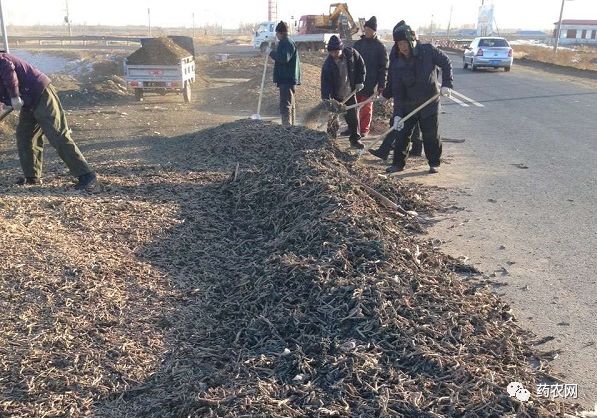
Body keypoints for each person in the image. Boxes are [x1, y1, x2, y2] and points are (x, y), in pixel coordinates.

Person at [0, 52, 96, 189]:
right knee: (25, 135)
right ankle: (32, 177)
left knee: (57, 134)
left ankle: (86, 174)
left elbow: (7, 68)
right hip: (27, 101)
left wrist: (14, 96)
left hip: (40, 93)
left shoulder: (1, 60)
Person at [374, 21, 453, 174]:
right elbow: (397, 89)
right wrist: (397, 115)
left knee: (430, 134)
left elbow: (446, 62)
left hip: (429, 101)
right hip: (408, 103)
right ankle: (398, 164)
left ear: (411, 41)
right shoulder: (397, 61)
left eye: (404, 43)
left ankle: (434, 162)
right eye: (398, 44)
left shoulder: (427, 51)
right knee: (402, 133)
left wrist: (447, 84)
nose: (402, 47)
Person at [321, 35, 366, 149]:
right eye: (332, 52)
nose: (334, 55)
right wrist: (326, 100)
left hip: (349, 91)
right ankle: (330, 141)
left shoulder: (351, 54)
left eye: (336, 52)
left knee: (353, 118)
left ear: (341, 49)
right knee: (333, 118)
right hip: (335, 95)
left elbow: (361, 66)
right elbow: (325, 84)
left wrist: (360, 81)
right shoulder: (328, 65)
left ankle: (355, 140)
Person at [353, 16, 388, 138]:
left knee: (366, 107)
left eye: (370, 29)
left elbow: (383, 68)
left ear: (374, 31)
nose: (367, 31)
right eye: (366, 29)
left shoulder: (380, 47)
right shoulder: (358, 44)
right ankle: (353, 128)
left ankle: (363, 130)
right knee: (354, 106)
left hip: (371, 82)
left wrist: (381, 85)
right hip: (356, 81)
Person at [269, 21, 301, 126]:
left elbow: (283, 58)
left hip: (287, 78)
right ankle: (290, 126)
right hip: (287, 78)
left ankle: (287, 128)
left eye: (277, 33)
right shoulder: (285, 42)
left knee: (286, 104)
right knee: (289, 104)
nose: (276, 35)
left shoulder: (287, 42)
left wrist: (271, 53)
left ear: (281, 32)